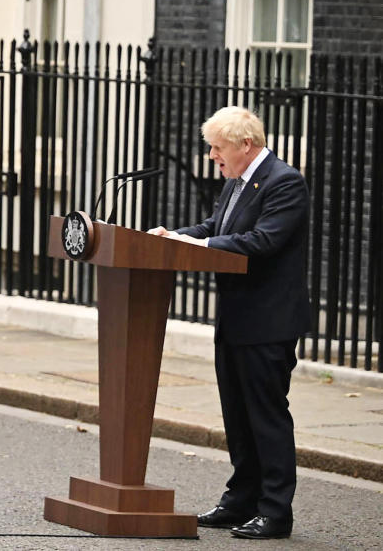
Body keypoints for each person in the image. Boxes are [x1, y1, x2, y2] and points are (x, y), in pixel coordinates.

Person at [148, 106, 310, 540]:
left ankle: (275, 512)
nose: (212, 156)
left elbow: (262, 240)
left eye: (218, 148)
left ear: (245, 144)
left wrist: (197, 242)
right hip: (236, 319)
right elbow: (216, 227)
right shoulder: (237, 181)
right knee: (237, 417)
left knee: (266, 417)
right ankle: (240, 501)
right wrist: (176, 236)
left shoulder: (284, 182)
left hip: (268, 322)